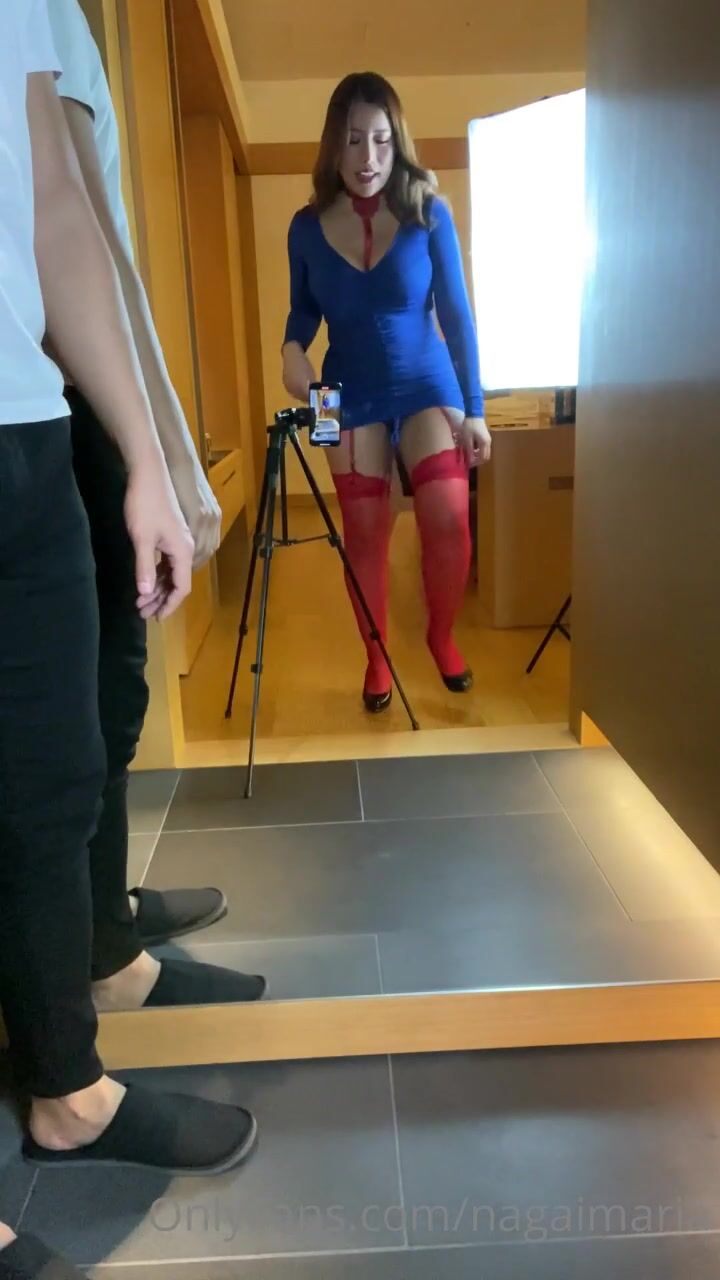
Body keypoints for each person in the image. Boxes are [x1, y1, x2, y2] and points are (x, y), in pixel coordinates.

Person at [0, 0, 257, 1193]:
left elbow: (59, 204)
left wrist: (150, 455)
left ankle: (69, 1080)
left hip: (26, 420)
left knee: (57, 766)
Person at [44, 0, 266, 1013]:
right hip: (65, 396)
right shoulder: (39, 21)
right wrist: (164, 448)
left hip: (72, 393)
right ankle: (104, 956)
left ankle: (104, 915)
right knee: (95, 694)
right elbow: (83, 242)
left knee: (105, 684)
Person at [282, 72, 492, 714]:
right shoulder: (305, 226)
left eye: (380, 139)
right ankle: (377, 658)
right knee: (364, 530)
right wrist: (291, 351)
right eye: (353, 140)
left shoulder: (429, 210)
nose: (368, 157)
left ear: (396, 141)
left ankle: (440, 636)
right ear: (334, 146)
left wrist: (476, 409)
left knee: (449, 514)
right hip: (340, 392)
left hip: (428, 382)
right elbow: (301, 314)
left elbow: (457, 314)